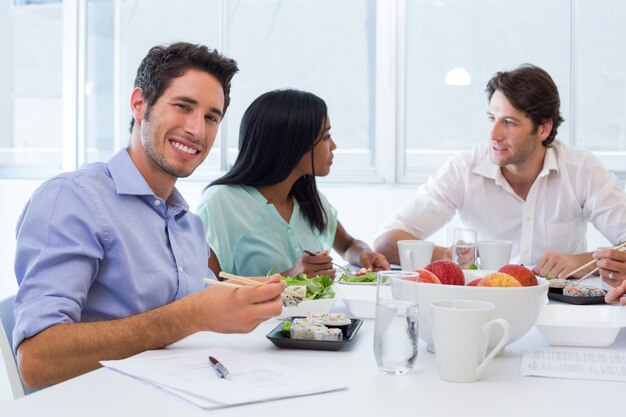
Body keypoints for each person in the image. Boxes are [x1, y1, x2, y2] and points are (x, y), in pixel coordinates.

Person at [13, 42, 286, 389]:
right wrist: (192, 315)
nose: (197, 130)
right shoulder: (72, 198)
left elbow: (199, 317)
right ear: (140, 104)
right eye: (183, 106)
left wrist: (240, 300)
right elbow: (37, 361)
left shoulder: (188, 224)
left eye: (211, 117)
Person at [374, 63, 626, 279]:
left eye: (509, 122)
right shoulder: (464, 169)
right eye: (491, 118)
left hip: (559, 305)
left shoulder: (581, 169)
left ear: (543, 129)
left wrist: (583, 262)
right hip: (486, 302)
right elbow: (385, 242)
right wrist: (447, 255)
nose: (493, 134)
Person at [196, 89, 389, 278]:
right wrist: (289, 277)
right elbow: (209, 286)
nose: (334, 146)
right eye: (326, 137)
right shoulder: (221, 202)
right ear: (292, 144)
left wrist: (364, 253)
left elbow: (348, 245)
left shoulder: (309, 200)